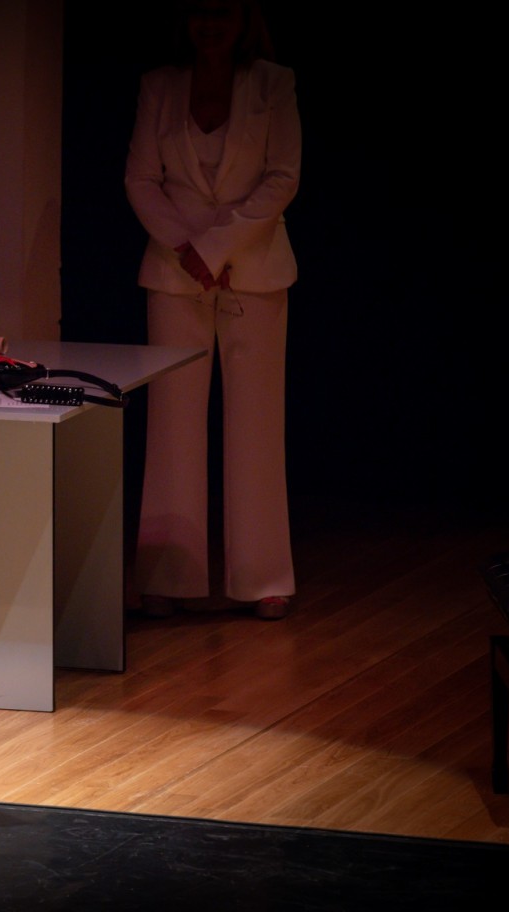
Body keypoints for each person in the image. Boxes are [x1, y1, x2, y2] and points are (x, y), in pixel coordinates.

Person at [124, 0, 299, 620]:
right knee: (172, 424)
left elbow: (283, 177)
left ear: (245, 18)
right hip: (176, 275)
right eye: (198, 10)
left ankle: (263, 576)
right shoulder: (160, 87)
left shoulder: (273, 84)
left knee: (255, 426)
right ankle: (168, 575)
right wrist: (186, 250)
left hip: (253, 271)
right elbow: (141, 178)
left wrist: (217, 247)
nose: (209, 23)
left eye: (222, 10)